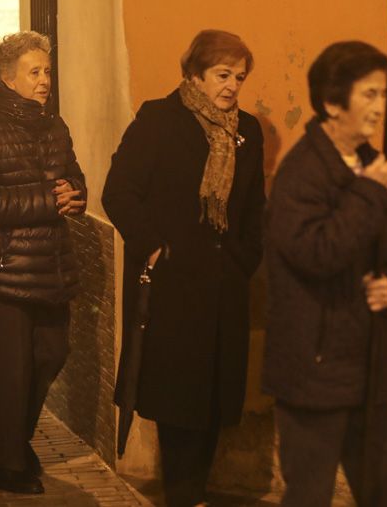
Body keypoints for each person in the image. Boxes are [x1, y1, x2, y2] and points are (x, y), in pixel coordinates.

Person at [102, 30, 265, 507]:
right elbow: (120, 191)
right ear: (194, 73)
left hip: (223, 286)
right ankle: (184, 495)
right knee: (178, 398)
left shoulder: (246, 131)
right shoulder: (160, 119)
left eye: (239, 76)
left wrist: (244, 258)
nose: (232, 86)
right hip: (174, 286)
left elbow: (255, 206)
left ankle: (194, 492)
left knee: (213, 396)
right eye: (222, 75)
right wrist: (153, 247)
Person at [263, 41, 387, 507]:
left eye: (384, 94)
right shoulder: (301, 175)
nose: (380, 107)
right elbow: (316, 253)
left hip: (370, 363)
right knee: (310, 493)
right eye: (369, 94)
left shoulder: (372, 164)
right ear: (333, 103)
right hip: (316, 369)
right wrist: (369, 195)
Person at [0, 31, 86, 494]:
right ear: (8, 79)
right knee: (11, 371)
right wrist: (48, 200)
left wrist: (75, 196)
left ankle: (15, 440)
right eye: (35, 71)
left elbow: (73, 179)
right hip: (1, 269)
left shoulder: (55, 126)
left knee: (51, 355)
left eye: (47, 70)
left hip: (50, 266)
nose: (45, 79)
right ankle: (9, 466)